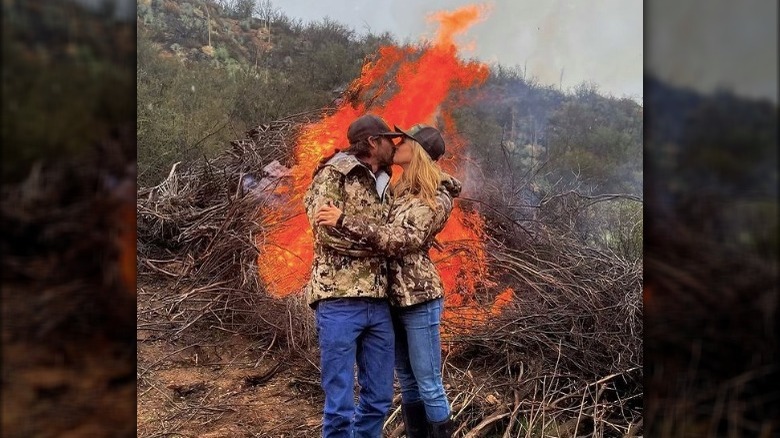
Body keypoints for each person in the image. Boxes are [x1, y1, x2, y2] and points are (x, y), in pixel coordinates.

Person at [316, 124, 462, 438]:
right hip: (391, 297)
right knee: (407, 382)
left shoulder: (436, 194)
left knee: (429, 383)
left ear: (417, 149)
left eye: (404, 140)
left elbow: (402, 239)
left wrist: (344, 221)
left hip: (419, 296)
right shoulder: (399, 187)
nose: (397, 144)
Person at [303, 113, 405, 438]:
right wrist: (381, 241)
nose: (395, 144)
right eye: (390, 139)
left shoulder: (389, 183)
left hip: (380, 304)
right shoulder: (335, 174)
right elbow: (326, 234)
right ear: (374, 142)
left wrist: (352, 225)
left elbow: (397, 237)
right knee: (340, 406)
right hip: (338, 301)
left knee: (378, 399)